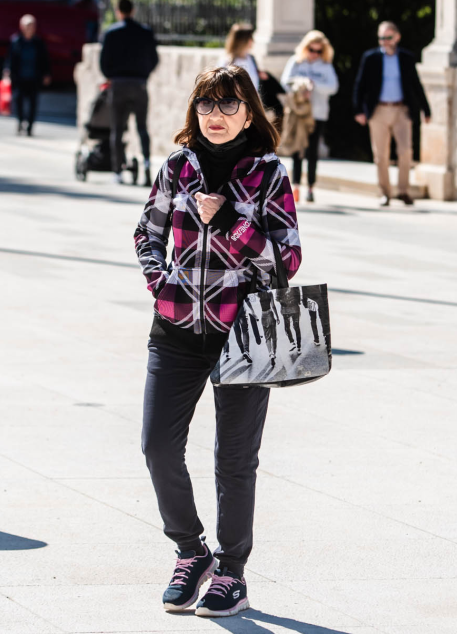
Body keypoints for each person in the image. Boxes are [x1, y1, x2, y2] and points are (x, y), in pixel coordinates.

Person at [133, 65, 301, 618]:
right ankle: (190, 552)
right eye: (207, 105)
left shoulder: (269, 173)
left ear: (249, 113)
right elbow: (147, 233)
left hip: (243, 332)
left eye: (229, 106)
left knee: (234, 460)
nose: (217, 116)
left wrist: (231, 218)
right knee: (157, 446)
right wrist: (163, 284)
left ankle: (232, 570)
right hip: (177, 327)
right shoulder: (177, 168)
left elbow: (287, 259)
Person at [352, 20, 432, 207]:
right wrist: (358, 110)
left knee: (405, 151)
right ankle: (385, 192)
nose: (384, 41)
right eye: (381, 38)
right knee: (381, 155)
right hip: (378, 110)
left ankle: (403, 191)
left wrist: (426, 109)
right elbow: (359, 85)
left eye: (388, 37)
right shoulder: (370, 58)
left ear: (397, 37)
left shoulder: (406, 58)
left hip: (401, 110)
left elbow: (416, 85)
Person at [100, 0, 159, 184]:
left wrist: (111, 75)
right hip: (139, 84)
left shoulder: (111, 33)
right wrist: (144, 75)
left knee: (117, 129)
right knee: (142, 127)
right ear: (133, 10)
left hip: (118, 84)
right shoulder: (145, 32)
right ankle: (147, 164)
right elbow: (154, 59)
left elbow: (103, 62)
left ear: (118, 11)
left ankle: (117, 171)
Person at [280, 31, 338, 203]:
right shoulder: (296, 62)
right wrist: (301, 86)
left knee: (313, 150)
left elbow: (333, 87)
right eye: (312, 49)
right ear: (306, 47)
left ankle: (311, 187)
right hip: (299, 113)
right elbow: (286, 82)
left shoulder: (326, 66)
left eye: (318, 51)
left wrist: (314, 86)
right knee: (297, 149)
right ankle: (296, 186)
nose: (314, 54)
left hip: (318, 113)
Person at [3, 14, 51, 136]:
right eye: (28, 25)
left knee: (33, 103)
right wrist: (7, 72)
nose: (30, 28)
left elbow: (45, 59)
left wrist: (46, 74)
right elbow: (10, 59)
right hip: (19, 77)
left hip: (34, 77)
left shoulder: (38, 42)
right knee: (18, 102)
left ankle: (30, 127)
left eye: (32, 25)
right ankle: (19, 123)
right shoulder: (16, 41)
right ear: (22, 26)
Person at [216, 23, 266, 92]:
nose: (253, 41)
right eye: (250, 38)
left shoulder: (251, 58)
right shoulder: (226, 62)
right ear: (242, 41)